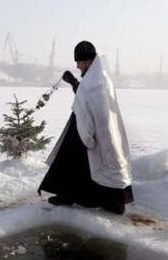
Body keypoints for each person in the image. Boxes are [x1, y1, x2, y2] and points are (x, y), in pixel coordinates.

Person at [38, 41, 133, 215]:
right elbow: (87, 97)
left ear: (88, 60)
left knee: (75, 161)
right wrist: (74, 82)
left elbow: (92, 102)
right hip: (93, 128)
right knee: (95, 164)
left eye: (80, 62)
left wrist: (88, 135)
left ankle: (74, 196)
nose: (78, 65)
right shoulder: (97, 76)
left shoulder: (96, 81)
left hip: (92, 129)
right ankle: (111, 201)